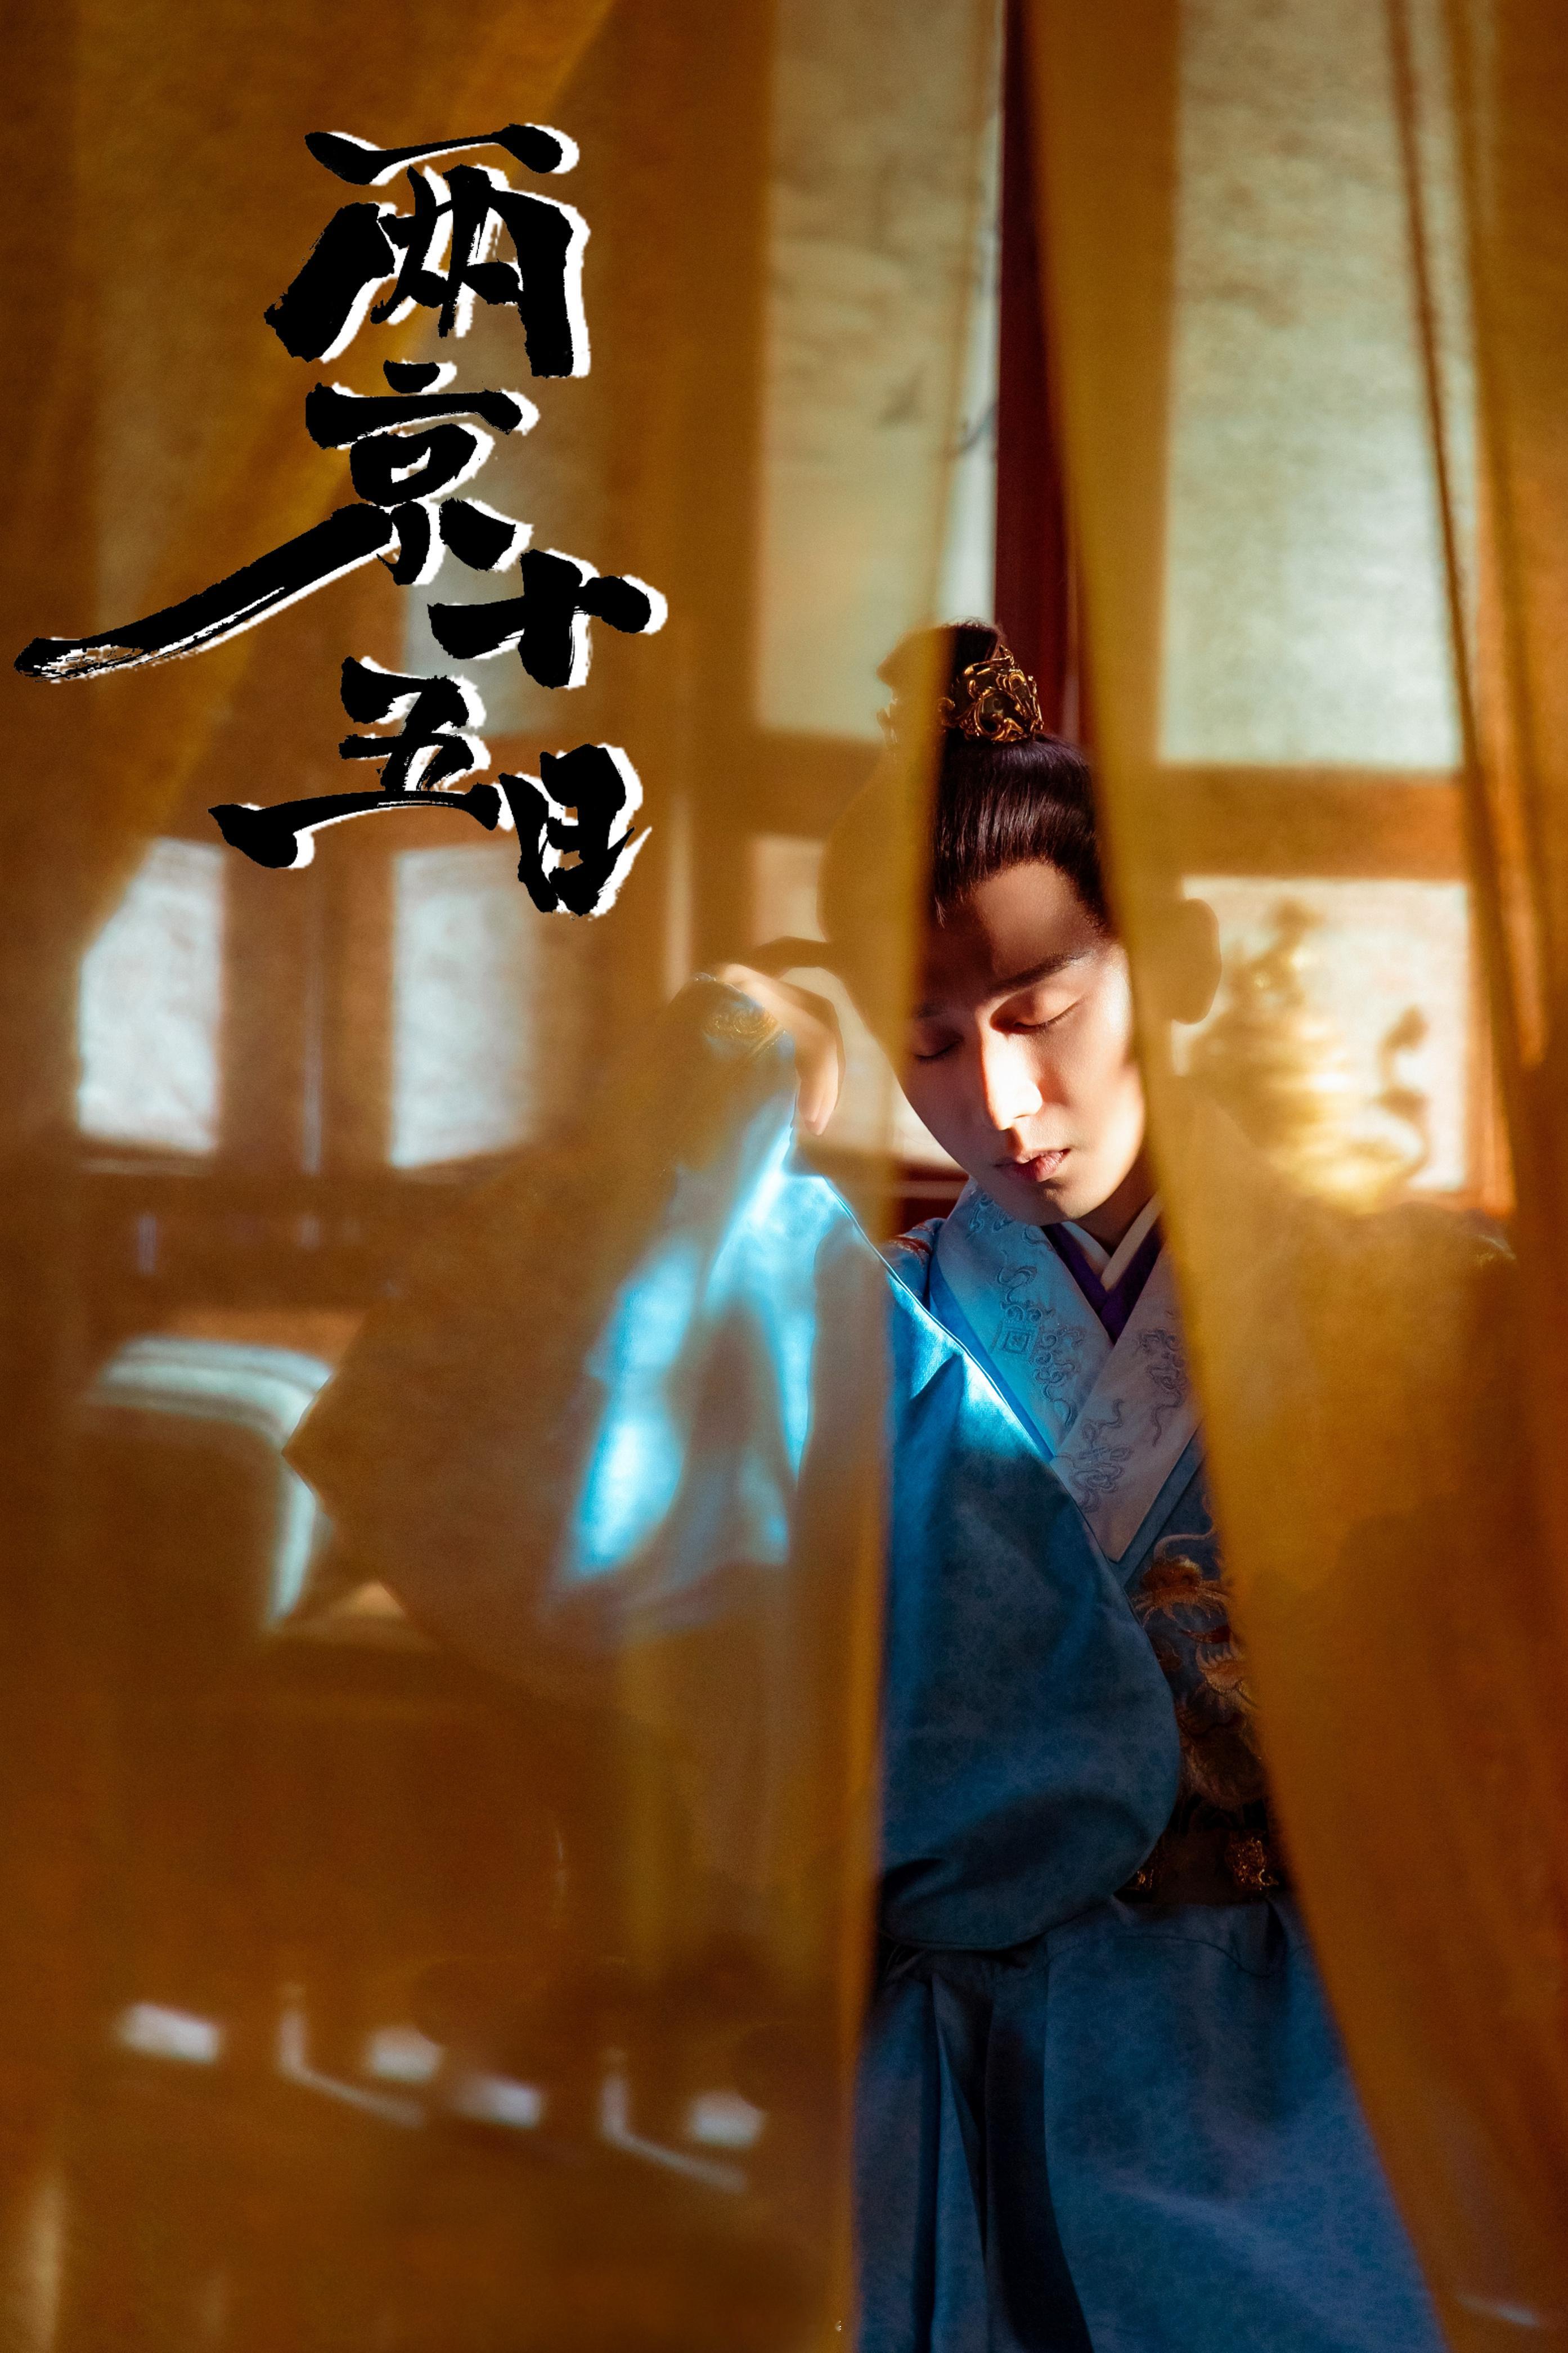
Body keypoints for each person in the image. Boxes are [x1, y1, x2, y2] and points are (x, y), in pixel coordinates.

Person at [289, 624, 1444, 2352]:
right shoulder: (848, 1334)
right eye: (926, 1043)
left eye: (1040, 1012)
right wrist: (730, 1058)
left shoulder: (1405, 1315)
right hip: (948, 2080)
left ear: (1174, 962)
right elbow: (482, 1444)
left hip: (1305, 2070)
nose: (997, 1099)